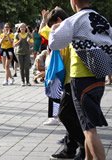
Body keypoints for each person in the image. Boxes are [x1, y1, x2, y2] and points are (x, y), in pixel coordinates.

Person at [49, 0, 111, 159]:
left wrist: (54, 30)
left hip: (81, 78)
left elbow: (55, 44)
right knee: (87, 125)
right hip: (99, 75)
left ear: (74, 1)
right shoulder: (102, 19)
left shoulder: (75, 20)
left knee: (89, 129)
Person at [46, 7, 85, 159]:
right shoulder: (69, 31)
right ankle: (70, 149)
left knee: (64, 114)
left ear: (58, 21)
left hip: (75, 79)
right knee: (73, 115)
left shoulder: (69, 32)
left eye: (53, 25)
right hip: (70, 79)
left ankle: (84, 145)